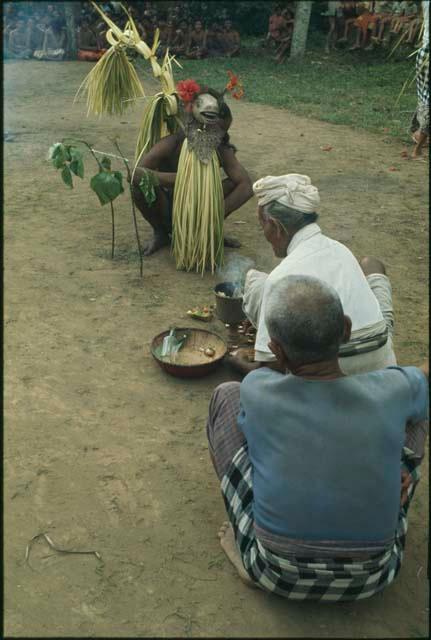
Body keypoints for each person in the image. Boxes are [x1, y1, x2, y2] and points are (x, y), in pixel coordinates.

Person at [207, 274, 429, 600]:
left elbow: (251, 402)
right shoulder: (392, 389)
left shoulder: (257, 390)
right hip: (376, 572)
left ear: (276, 351)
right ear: (347, 330)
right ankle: (393, 482)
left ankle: (247, 549)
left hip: (274, 570)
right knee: (418, 410)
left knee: (225, 396)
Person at [228, 174, 397, 376]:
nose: (263, 233)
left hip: (333, 370)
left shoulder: (282, 277)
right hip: (382, 361)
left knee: (259, 282)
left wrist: (236, 360)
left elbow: (269, 371)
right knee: (371, 264)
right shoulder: (340, 250)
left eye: (262, 225)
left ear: (275, 226)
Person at [131, 88, 253, 255]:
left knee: (234, 184)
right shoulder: (173, 143)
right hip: (169, 209)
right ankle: (161, 233)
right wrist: (184, 178)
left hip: (205, 211)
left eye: (223, 131)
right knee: (138, 186)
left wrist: (215, 216)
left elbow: (245, 186)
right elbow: (136, 174)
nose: (219, 135)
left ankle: (211, 232)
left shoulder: (220, 148)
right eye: (216, 129)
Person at [410, 0, 429, 159]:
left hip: (424, 54)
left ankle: (418, 132)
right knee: (427, 101)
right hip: (427, 56)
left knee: (425, 98)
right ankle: (418, 147)